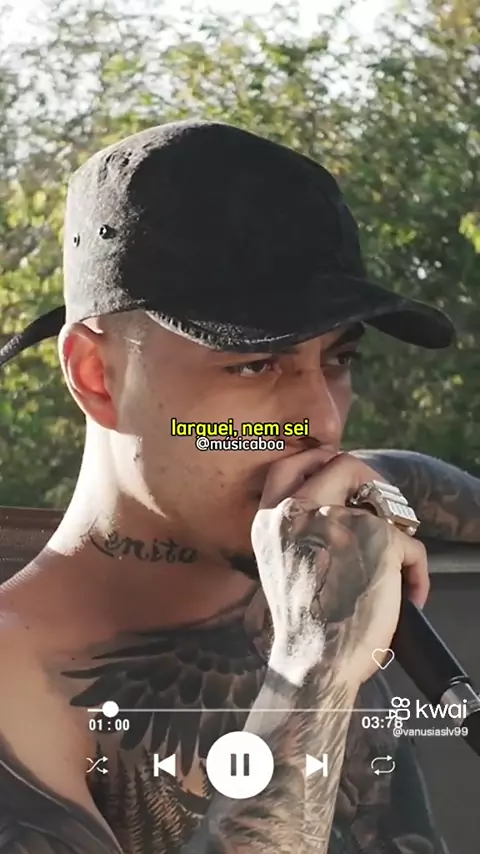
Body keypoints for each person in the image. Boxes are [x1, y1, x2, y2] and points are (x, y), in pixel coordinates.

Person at [1, 119, 473, 854]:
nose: (321, 421)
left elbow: (414, 476)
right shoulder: (17, 689)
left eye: (338, 359)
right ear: (98, 376)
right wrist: (311, 672)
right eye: (255, 365)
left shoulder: (311, 506)